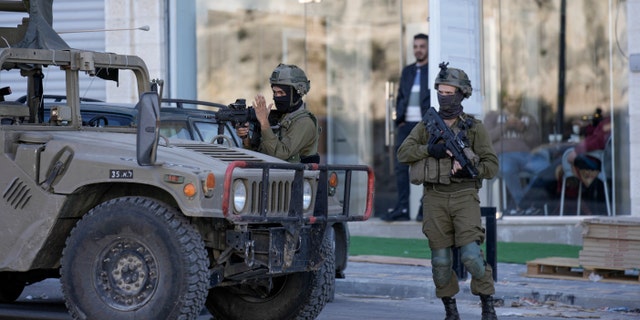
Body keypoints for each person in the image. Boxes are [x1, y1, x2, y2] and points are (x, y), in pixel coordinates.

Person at [397, 63, 499, 320]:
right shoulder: (427, 125)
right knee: (441, 262)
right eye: (440, 92)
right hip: (435, 198)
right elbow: (403, 153)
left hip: (465, 196)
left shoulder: (474, 128)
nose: (444, 97)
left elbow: (492, 165)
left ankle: (488, 306)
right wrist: (431, 150)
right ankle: (450, 311)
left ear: (462, 93)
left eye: (450, 92)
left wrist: (471, 169)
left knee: (472, 256)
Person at [383, 33, 430, 222]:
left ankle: (424, 208)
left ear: (428, 48)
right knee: (401, 167)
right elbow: (402, 95)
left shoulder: (433, 68)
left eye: (422, 46)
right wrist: (398, 118)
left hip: (425, 125)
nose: (418, 49)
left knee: (426, 166)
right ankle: (402, 208)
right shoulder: (408, 71)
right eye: (415, 46)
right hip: (405, 125)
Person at [236, 63, 320, 164]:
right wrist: (246, 139)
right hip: (274, 177)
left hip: (297, 178)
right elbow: (261, 154)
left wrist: (264, 123)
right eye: (275, 93)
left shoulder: (304, 122)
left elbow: (280, 155)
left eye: (281, 93)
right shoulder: (280, 117)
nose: (277, 97)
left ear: (296, 94)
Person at [484, 93, 547, 215]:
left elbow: (536, 142)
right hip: (503, 155)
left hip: (526, 156)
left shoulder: (528, 118)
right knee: (507, 168)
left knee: (544, 168)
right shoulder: (493, 116)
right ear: (505, 100)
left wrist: (524, 129)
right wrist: (505, 126)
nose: (514, 103)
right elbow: (486, 138)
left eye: (517, 100)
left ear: (521, 102)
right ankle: (524, 205)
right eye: (511, 100)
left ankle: (525, 204)